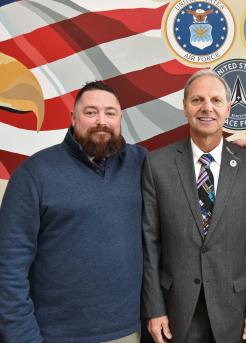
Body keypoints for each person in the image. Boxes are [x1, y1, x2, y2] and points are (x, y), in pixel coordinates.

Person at [0, 81, 146, 343]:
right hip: (56, 335)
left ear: (120, 118)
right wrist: (22, 337)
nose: (101, 121)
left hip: (130, 332)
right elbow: (8, 266)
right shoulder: (34, 174)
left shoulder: (143, 164)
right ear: (73, 118)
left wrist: (233, 153)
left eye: (110, 113)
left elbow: (190, 175)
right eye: (90, 112)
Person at [141, 70, 246, 343]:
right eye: (197, 100)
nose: (207, 108)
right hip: (176, 309)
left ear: (228, 109)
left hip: (235, 310)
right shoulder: (157, 165)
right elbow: (150, 244)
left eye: (215, 100)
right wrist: (154, 308)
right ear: (185, 107)